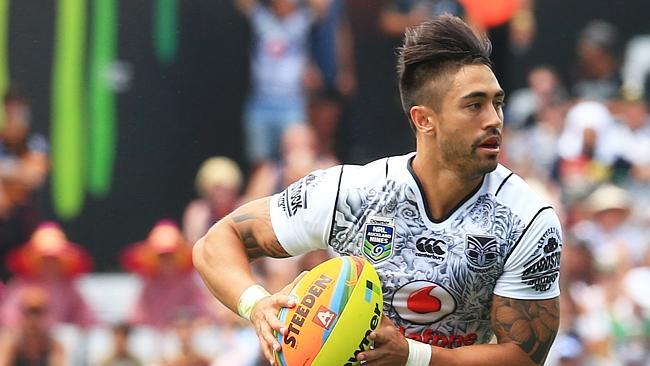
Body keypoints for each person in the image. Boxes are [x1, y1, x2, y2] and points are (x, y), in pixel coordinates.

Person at [194, 15, 562, 366]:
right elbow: (216, 242)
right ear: (423, 119)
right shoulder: (351, 194)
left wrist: (412, 357)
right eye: (474, 105)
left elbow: (525, 357)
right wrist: (256, 305)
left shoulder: (526, 220)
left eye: (497, 103)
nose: (494, 119)